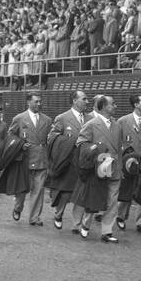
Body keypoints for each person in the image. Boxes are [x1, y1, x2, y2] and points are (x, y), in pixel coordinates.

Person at [74, 94, 121, 243]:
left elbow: (119, 148)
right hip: (97, 169)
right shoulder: (91, 124)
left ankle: (107, 231)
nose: (115, 106)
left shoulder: (118, 125)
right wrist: (95, 150)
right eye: (113, 104)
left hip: (114, 169)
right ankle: (86, 223)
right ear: (104, 107)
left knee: (112, 202)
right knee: (95, 199)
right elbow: (81, 143)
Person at [6, 93, 52, 224]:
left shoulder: (47, 120)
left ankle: (34, 217)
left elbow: (50, 139)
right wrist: (20, 144)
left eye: (40, 102)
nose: (39, 104)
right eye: (36, 102)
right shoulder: (19, 118)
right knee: (23, 188)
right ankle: (18, 207)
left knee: (39, 190)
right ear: (28, 103)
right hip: (25, 159)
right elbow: (10, 136)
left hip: (41, 159)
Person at [46, 90, 88, 231]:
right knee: (65, 192)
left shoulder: (90, 119)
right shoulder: (62, 118)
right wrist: (68, 142)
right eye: (84, 99)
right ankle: (58, 214)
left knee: (82, 193)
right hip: (68, 161)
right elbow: (51, 137)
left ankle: (77, 224)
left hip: (84, 162)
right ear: (74, 101)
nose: (86, 101)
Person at [114, 94, 141, 233]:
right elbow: (117, 141)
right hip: (128, 162)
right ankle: (120, 216)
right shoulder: (123, 121)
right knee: (126, 189)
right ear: (136, 104)